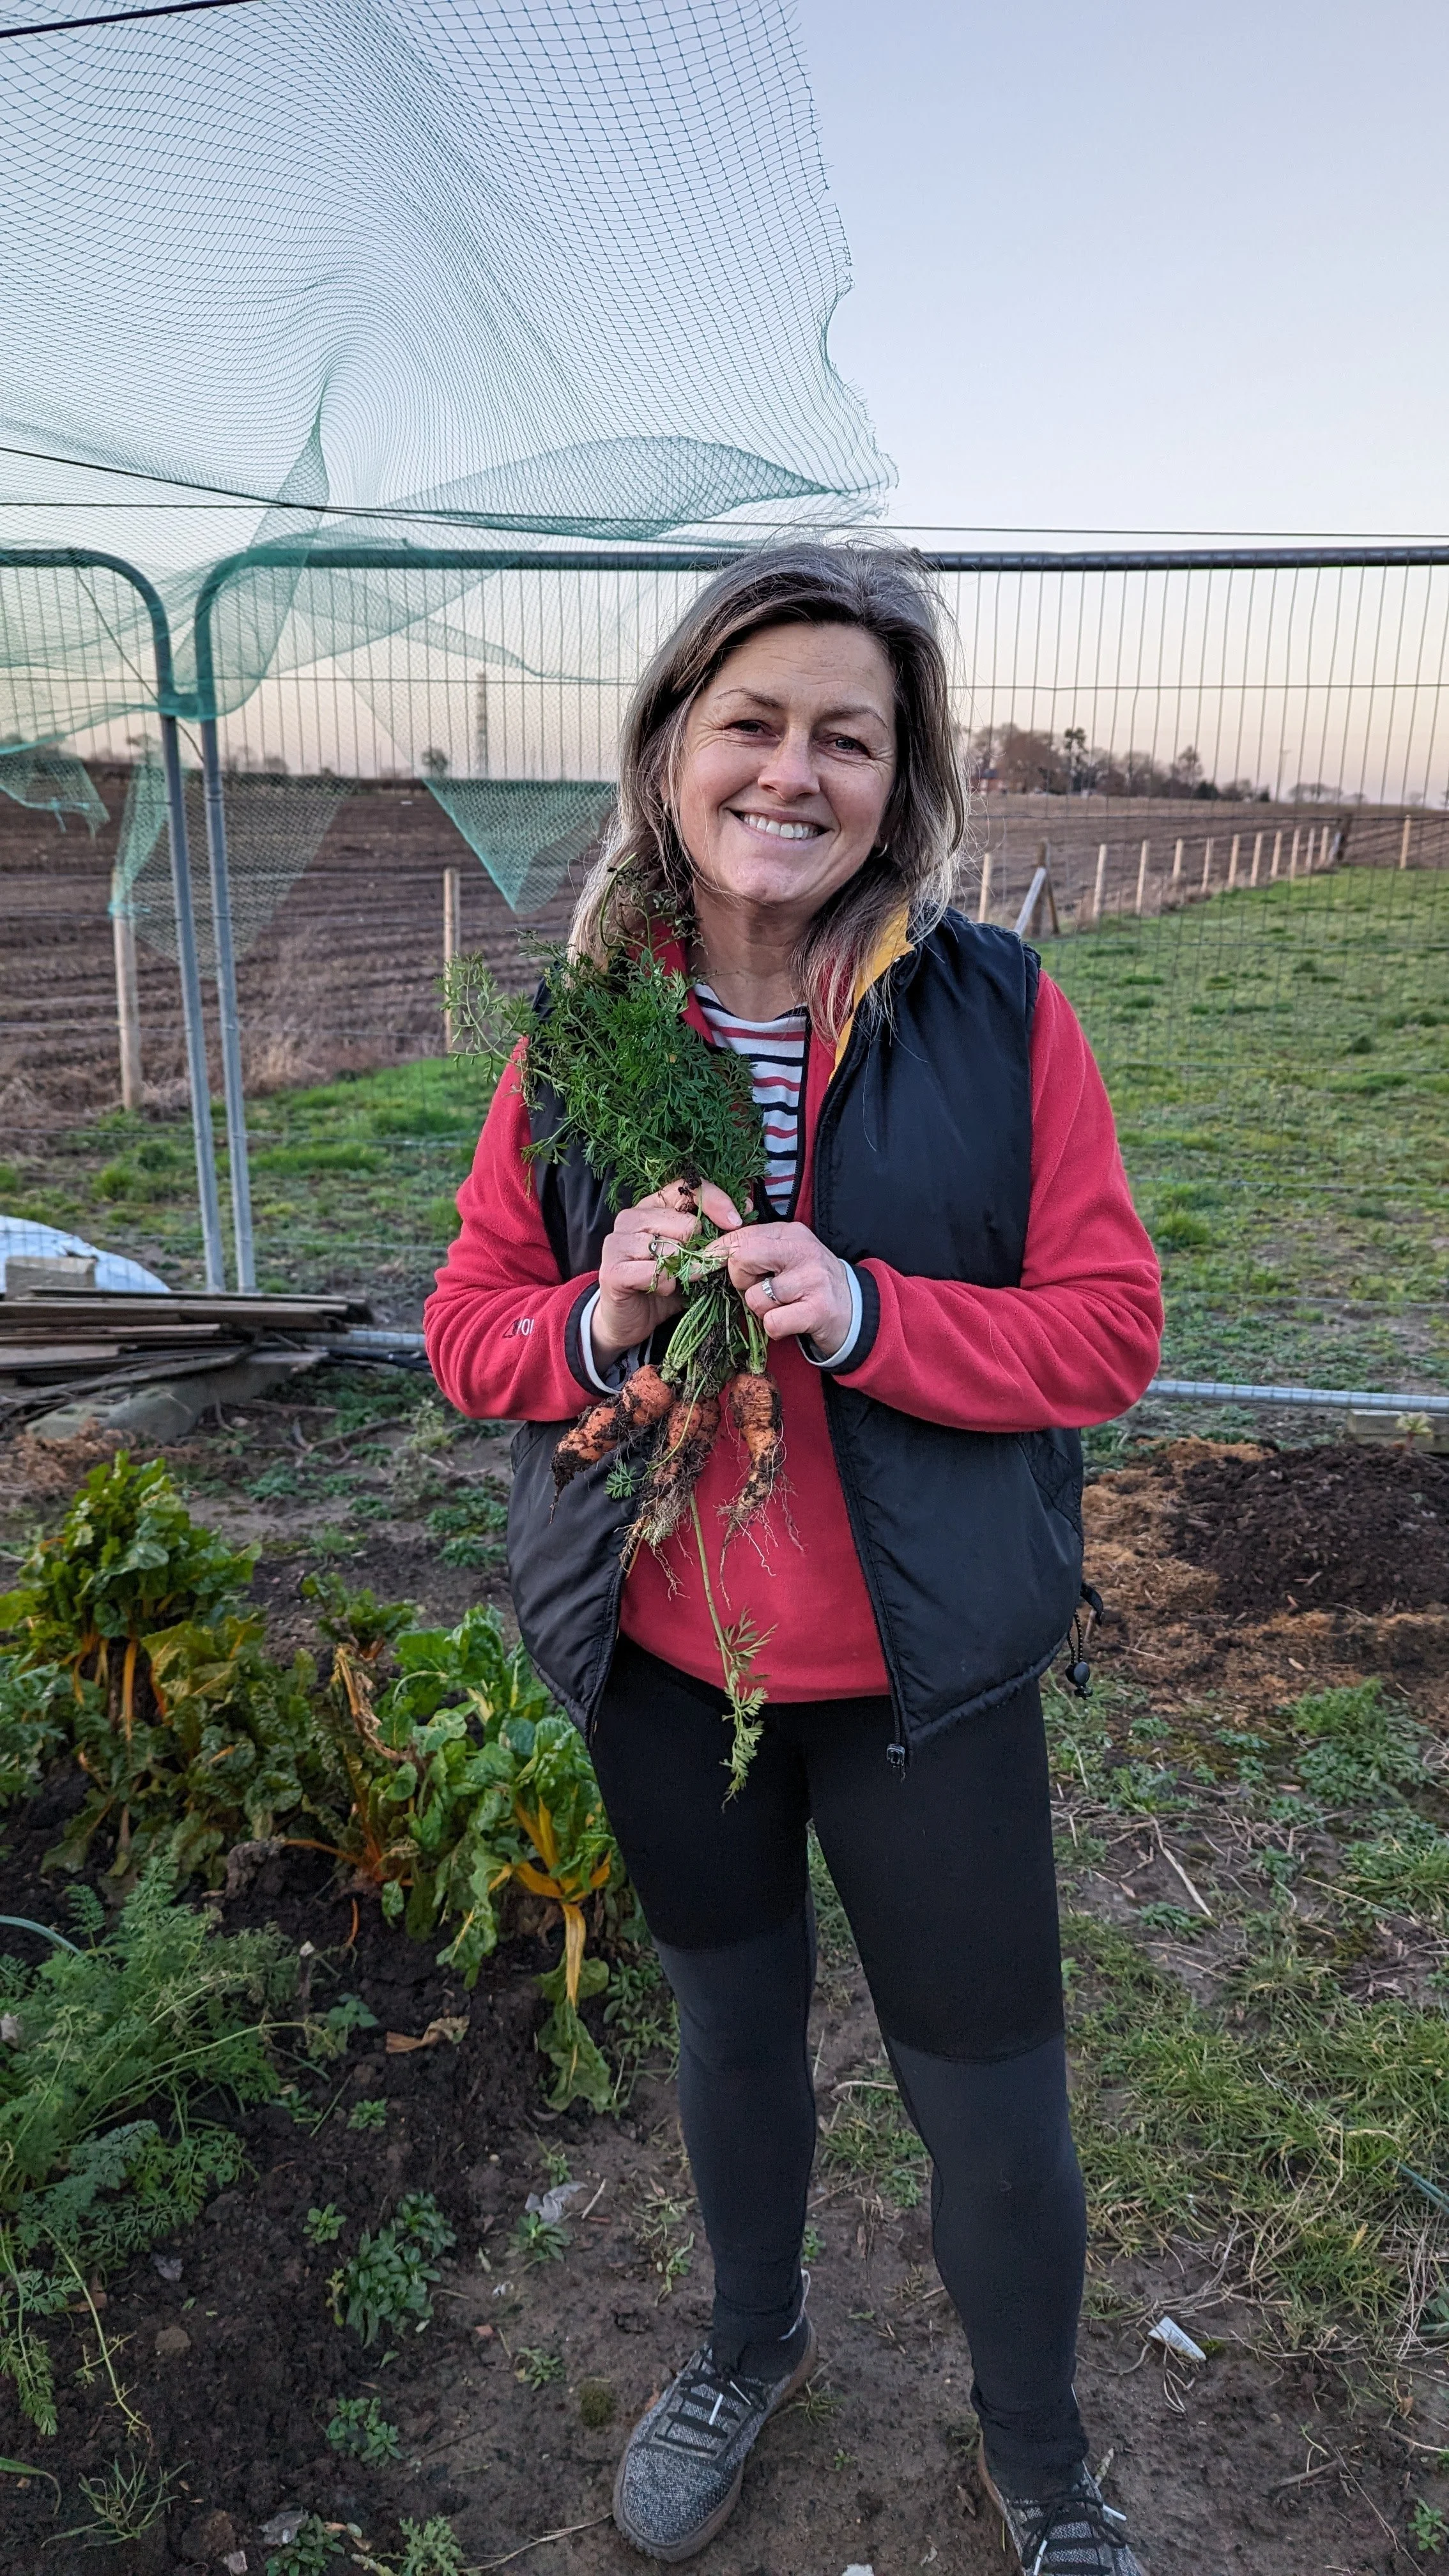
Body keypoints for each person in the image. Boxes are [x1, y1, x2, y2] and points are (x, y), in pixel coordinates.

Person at [425, 545, 1163, 2574]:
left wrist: (869, 1314)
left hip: (925, 1680)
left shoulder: (995, 1009)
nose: (791, 769)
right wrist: (599, 1318)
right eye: (750, 722)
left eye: (846, 734)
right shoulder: (583, 1034)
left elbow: (1109, 1327)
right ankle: (747, 2344)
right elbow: (467, 1326)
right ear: (671, 751)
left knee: (992, 2106)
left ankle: (1044, 2458)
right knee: (729, 2034)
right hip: (677, 1672)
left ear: (896, 780)